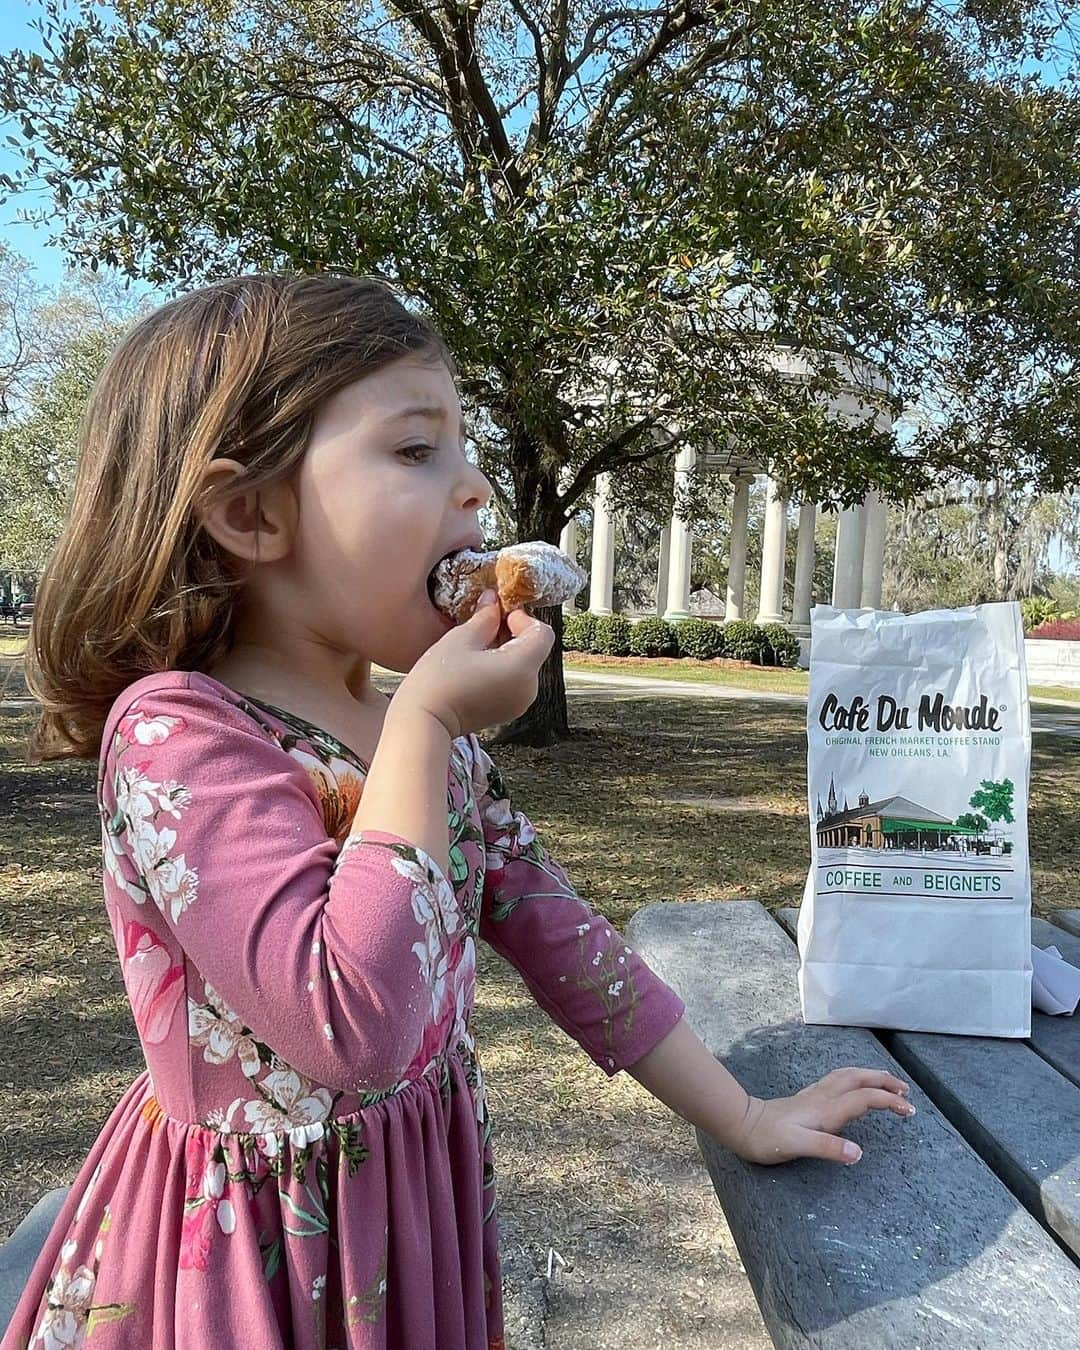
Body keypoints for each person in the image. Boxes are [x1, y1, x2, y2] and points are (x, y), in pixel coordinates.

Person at [6, 275, 913, 1349]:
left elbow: (563, 937)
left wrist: (744, 1114)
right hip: (256, 1262)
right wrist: (428, 724)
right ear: (249, 513)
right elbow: (352, 1027)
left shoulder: (411, 728)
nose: (475, 488)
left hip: (411, 1218)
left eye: (465, 448)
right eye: (414, 449)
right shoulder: (182, 735)